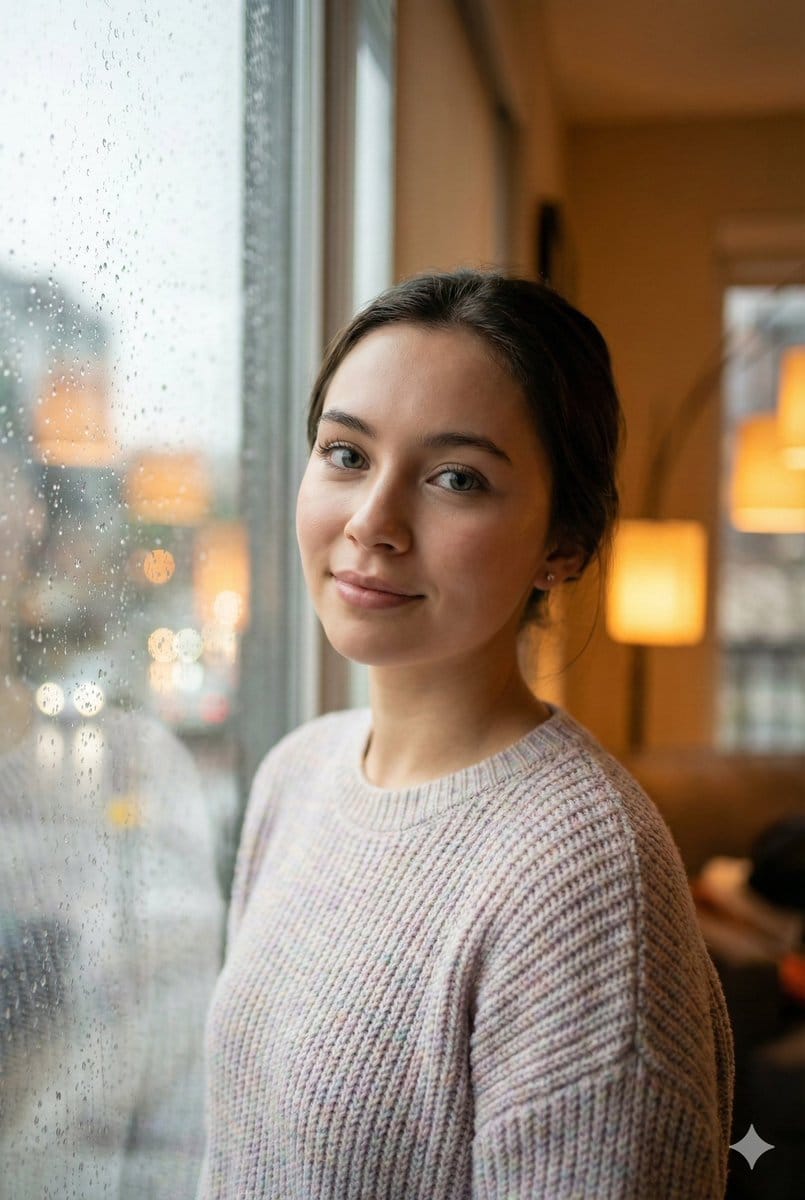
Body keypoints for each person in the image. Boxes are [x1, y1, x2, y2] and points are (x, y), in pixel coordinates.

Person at [197, 269, 735, 1198]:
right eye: (346, 455)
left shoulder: (584, 879)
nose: (372, 524)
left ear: (561, 544)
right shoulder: (299, 772)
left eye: (456, 478)